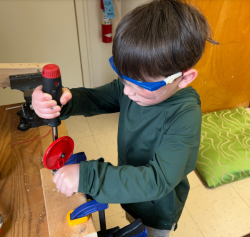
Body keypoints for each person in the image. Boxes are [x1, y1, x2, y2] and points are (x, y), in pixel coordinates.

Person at [32, 0, 218, 236]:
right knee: (132, 220)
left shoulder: (185, 116)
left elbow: (156, 180)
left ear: (183, 78)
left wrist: (89, 176)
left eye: (139, 84)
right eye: (123, 77)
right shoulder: (132, 88)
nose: (127, 91)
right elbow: (94, 99)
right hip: (128, 193)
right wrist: (60, 101)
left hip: (157, 212)